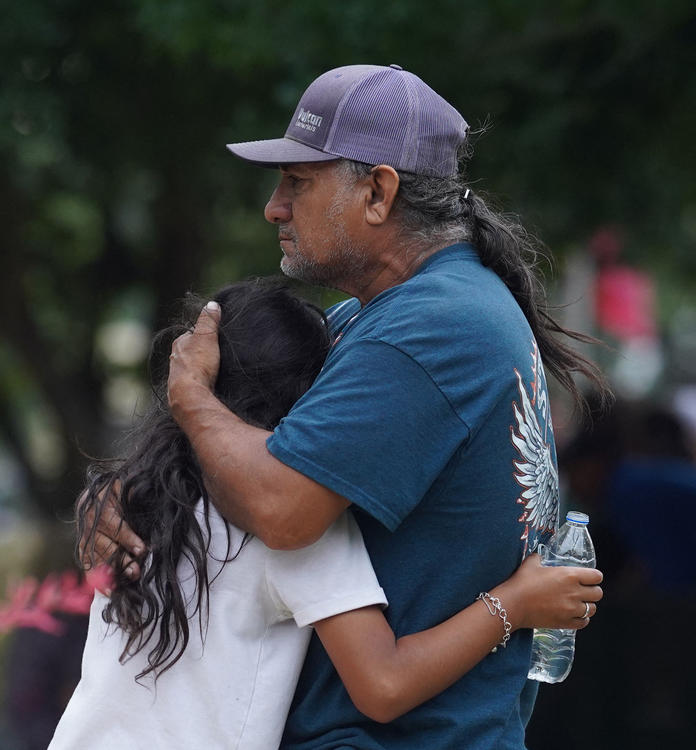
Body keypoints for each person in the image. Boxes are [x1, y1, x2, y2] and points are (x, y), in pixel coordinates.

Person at [85, 65, 611, 749]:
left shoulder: (435, 326)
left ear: (378, 190)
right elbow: (238, 446)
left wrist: (189, 396)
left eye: (298, 183)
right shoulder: (374, 321)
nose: (274, 207)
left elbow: (282, 509)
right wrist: (119, 495)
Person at [54, 279, 602, 749]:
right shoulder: (289, 523)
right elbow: (383, 686)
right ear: (315, 407)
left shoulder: (139, 496)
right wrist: (514, 602)